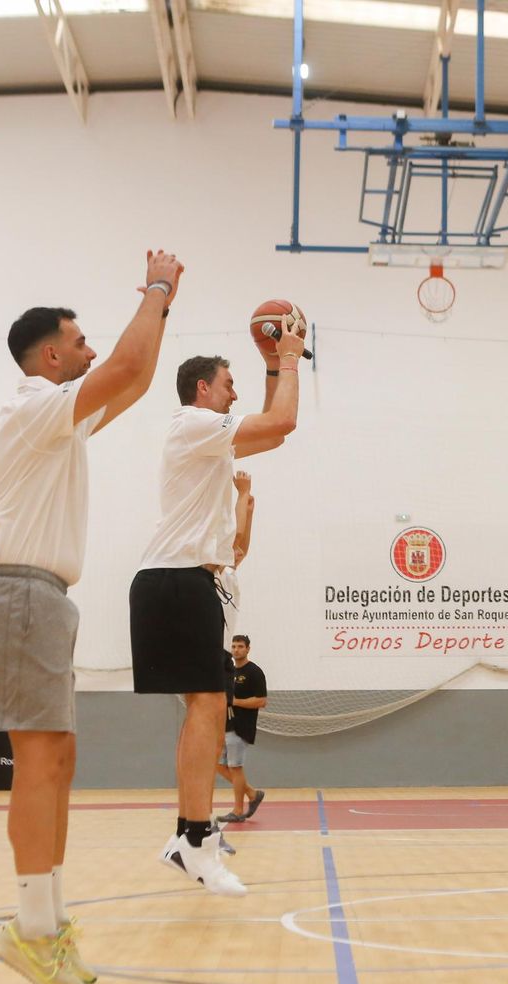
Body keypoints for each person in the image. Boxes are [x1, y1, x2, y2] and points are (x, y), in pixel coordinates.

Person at [0, 251, 182, 984]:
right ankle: (31, 926)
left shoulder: (60, 421)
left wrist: (162, 306)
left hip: (40, 599)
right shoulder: (31, 408)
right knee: (39, 763)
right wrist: (154, 289)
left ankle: (49, 923)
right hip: (15, 594)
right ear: (51, 354)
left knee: (59, 761)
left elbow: (137, 376)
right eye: (79, 342)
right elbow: (121, 368)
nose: (90, 352)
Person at [134, 342, 302, 896]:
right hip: (177, 579)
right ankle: (197, 841)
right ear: (202, 389)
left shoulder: (209, 440)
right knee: (209, 703)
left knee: (202, 706)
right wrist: (290, 356)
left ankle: (189, 838)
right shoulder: (192, 423)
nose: (236, 392)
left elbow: (278, 434)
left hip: (181, 582)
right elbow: (284, 418)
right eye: (229, 383)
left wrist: (273, 364)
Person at [219, 635, 266, 823]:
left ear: (248, 649)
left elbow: (262, 701)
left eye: (240, 646)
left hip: (241, 726)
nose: (236, 649)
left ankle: (238, 811)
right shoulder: (227, 671)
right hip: (224, 724)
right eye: (233, 646)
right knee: (218, 764)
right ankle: (252, 793)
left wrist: (235, 702)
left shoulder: (254, 672)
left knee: (235, 767)